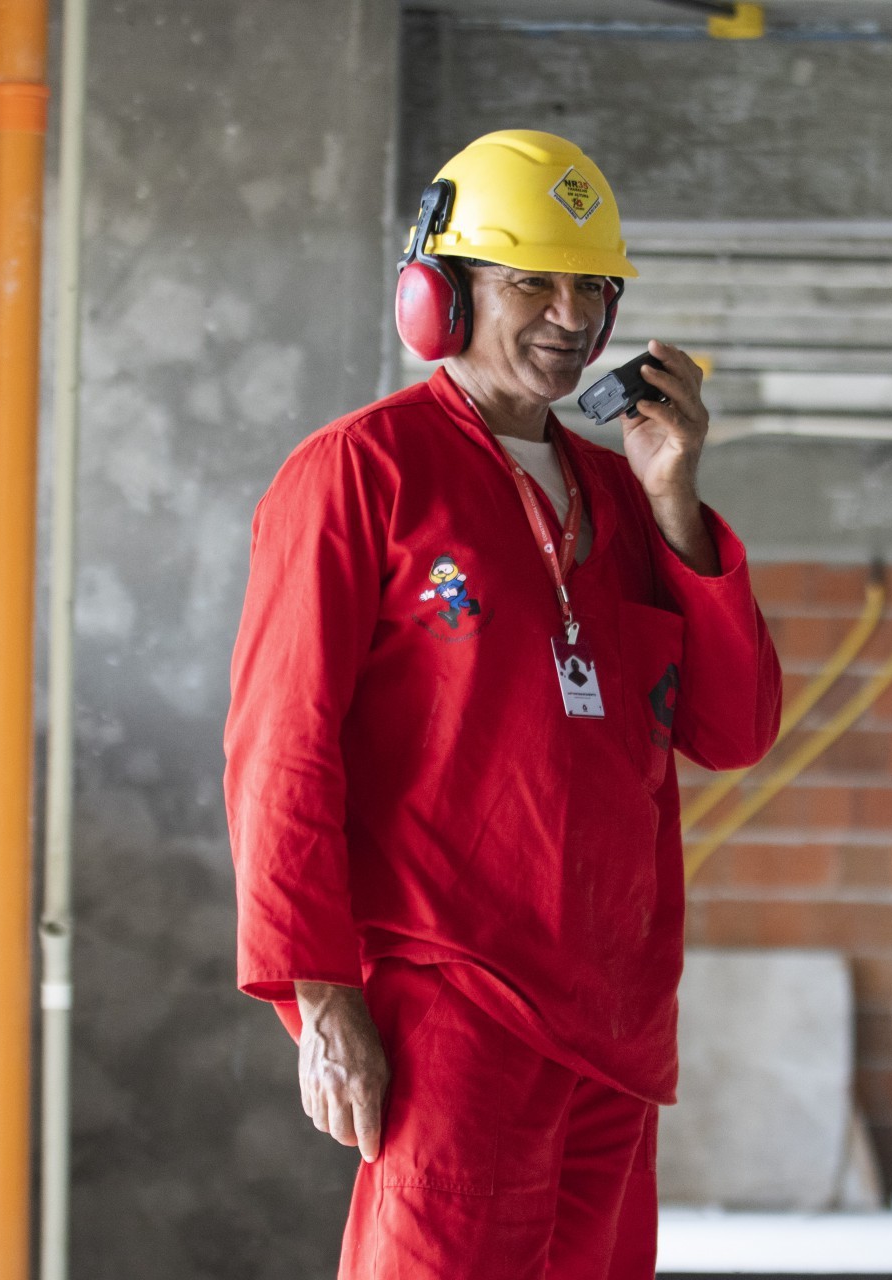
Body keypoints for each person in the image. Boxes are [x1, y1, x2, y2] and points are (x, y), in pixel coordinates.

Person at [223, 129, 783, 1279]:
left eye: (594, 286)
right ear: (439, 291)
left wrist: (676, 498)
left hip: (615, 1027)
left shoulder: (624, 504)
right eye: (532, 278)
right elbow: (283, 751)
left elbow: (732, 729)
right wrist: (321, 999)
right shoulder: (357, 475)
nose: (571, 313)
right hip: (455, 1004)